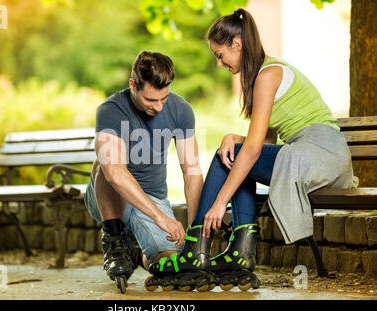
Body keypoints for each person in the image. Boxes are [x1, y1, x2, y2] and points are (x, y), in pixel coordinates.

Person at [145, 8, 354, 292]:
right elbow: (263, 146)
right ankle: (240, 252)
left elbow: (253, 151)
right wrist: (234, 137)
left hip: (318, 155)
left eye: (220, 55)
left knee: (227, 158)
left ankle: (195, 248)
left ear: (237, 45)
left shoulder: (268, 75)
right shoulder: (265, 73)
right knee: (234, 155)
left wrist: (220, 203)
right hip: (321, 156)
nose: (219, 63)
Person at [83, 50, 204, 293]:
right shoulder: (110, 110)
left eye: (164, 98)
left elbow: (191, 171)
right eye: (151, 100)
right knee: (105, 165)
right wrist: (161, 218)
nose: (159, 107)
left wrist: (195, 230)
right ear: (133, 85)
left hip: (153, 198)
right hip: (109, 199)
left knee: (170, 263)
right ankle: (115, 240)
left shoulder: (181, 110)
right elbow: (115, 174)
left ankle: (137, 256)